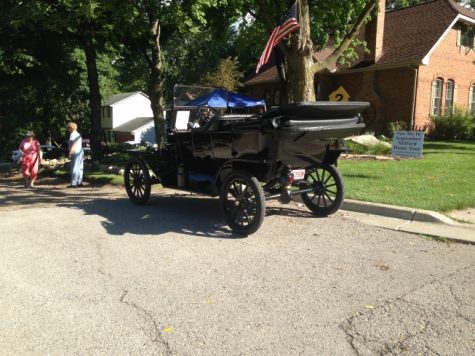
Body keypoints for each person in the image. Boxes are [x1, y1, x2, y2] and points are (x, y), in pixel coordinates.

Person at [66, 122, 84, 188]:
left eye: (68, 128)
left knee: (74, 167)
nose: (68, 130)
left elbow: (73, 144)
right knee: (80, 167)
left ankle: (73, 183)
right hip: (80, 151)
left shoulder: (72, 134)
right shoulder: (78, 134)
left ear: (71, 128)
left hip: (75, 152)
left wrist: (70, 152)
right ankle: (80, 182)